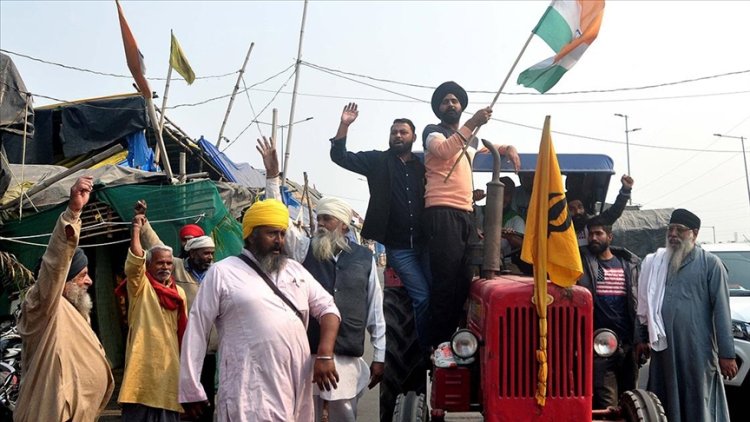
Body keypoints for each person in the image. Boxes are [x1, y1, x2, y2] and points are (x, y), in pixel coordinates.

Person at [179, 197, 342, 422]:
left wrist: (325, 354)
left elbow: (328, 309)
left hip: (295, 382)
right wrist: (190, 387)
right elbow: (197, 329)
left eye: (283, 234)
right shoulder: (223, 272)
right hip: (249, 386)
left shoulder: (295, 270)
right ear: (251, 235)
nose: (279, 241)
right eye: (272, 234)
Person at [261, 136, 386, 420]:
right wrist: (272, 178)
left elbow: (375, 313)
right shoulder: (305, 248)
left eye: (326, 219)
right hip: (307, 355)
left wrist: (379, 356)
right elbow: (279, 218)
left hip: (347, 358)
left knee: (344, 415)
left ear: (342, 225)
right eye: (319, 219)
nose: (320, 224)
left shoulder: (364, 258)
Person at [422, 81, 520, 346]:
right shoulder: (432, 132)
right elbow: (445, 150)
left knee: (466, 279)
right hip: (442, 211)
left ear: (461, 106)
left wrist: (506, 148)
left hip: (466, 214)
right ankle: (439, 346)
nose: (451, 105)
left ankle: (462, 339)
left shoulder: (471, 139)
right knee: (445, 281)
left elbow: (485, 147)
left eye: (455, 101)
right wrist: (474, 121)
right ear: (439, 109)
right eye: (445, 101)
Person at [329, 102, 433, 353]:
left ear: (413, 137)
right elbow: (339, 157)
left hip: (426, 244)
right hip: (399, 248)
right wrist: (345, 124)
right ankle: (428, 349)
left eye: (403, 132)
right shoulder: (377, 160)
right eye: (394, 132)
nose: (397, 135)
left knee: (442, 294)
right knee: (423, 296)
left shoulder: (423, 166)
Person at [14, 176, 114, 422]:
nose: (89, 282)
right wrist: (72, 213)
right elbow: (54, 265)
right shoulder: (43, 306)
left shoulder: (76, 314)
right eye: (82, 276)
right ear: (63, 281)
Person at [636, 208, 737, 421]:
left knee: (698, 397)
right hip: (665, 348)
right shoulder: (658, 263)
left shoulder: (710, 264)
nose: (673, 234)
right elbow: (645, 303)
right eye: (670, 229)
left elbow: (722, 311)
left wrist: (727, 354)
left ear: (694, 233)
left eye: (679, 230)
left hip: (696, 350)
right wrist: (643, 337)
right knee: (663, 399)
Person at [134, 202, 218, 419]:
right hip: (183, 342)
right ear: (193, 253)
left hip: (209, 346)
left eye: (211, 253)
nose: (209, 257)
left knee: (206, 392)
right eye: (205, 254)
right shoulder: (176, 266)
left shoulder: (217, 274)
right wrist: (143, 221)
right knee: (182, 392)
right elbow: (155, 244)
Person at [118, 211, 188, 421]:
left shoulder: (179, 293)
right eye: (160, 263)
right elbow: (136, 259)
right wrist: (137, 229)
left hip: (169, 371)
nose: (165, 267)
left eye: (168, 263)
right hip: (142, 373)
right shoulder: (141, 286)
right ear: (149, 266)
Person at [577, 216, 644, 409]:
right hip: (600, 345)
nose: (594, 238)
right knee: (606, 403)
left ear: (610, 237)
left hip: (627, 343)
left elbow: (639, 304)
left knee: (630, 401)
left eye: (599, 234)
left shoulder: (628, 265)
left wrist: (641, 339)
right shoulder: (587, 265)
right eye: (591, 234)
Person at [568, 174, 634, 246]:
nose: (577, 212)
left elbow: (614, 212)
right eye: (572, 209)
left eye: (580, 207)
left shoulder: (592, 224)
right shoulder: (559, 229)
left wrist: (626, 190)